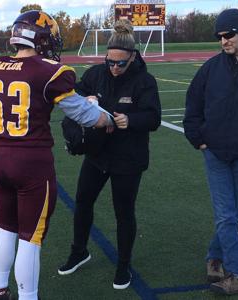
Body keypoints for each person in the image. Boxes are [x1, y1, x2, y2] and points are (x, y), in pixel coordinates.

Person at [0, 10, 112, 300]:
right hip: (32, 163)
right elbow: (84, 115)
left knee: (6, 227)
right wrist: (106, 118)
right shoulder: (48, 71)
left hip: (0, 158)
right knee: (30, 239)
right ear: (40, 38)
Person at [57, 19, 161, 289]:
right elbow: (76, 92)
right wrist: (85, 99)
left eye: (120, 63)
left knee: (123, 212)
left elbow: (153, 117)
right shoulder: (95, 74)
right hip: (97, 154)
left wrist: (130, 121)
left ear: (133, 57)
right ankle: (79, 251)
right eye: (110, 62)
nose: (114, 68)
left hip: (128, 158)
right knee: (82, 201)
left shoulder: (145, 81)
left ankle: (123, 265)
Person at [183, 8, 238, 295]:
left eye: (228, 34)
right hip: (215, 154)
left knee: (232, 215)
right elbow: (193, 106)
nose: (223, 40)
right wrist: (198, 140)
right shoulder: (211, 68)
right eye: (219, 36)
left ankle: (214, 257)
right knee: (227, 216)